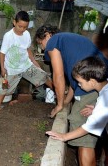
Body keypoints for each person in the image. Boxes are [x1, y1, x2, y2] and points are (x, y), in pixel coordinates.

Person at [35, 24, 108, 166]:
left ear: (48, 35)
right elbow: (75, 84)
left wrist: (60, 104)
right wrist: (67, 101)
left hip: (90, 91)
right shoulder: (70, 42)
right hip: (99, 84)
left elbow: (58, 75)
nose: (43, 48)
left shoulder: (54, 41)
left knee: (84, 139)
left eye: (40, 43)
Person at [46, 56, 108, 165]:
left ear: (92, 81)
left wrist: (64, 136)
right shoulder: (105, 88)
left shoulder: (104, 97)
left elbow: (89, 127)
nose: (79, 85)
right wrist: (97, 110)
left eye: (80, 82)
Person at [0, 10, 53, 112]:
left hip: (26, 66)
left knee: (44, 76)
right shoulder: (8, 36)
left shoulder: (27, 34)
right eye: (20, 26)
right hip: (11, 69)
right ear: (14, 22)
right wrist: (3, 68)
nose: (22, 29)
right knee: (4, 87)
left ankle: (58, 96)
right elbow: (2, 53)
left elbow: (27, 49)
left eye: (25, 27)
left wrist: (33, 61)